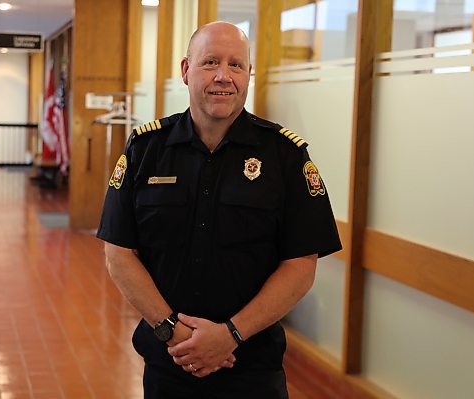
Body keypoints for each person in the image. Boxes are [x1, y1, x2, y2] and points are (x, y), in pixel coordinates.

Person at [97, 21, 341, 399]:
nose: (224, 77)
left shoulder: (284, 156)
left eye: (237, 65)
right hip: (169, 365)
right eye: (210, 62)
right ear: (185, 70)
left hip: (252, 370)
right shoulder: (147, 150)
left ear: (249, 74)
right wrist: (173, 332)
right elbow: (119, 253)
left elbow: (301, 264)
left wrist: (231, 334)